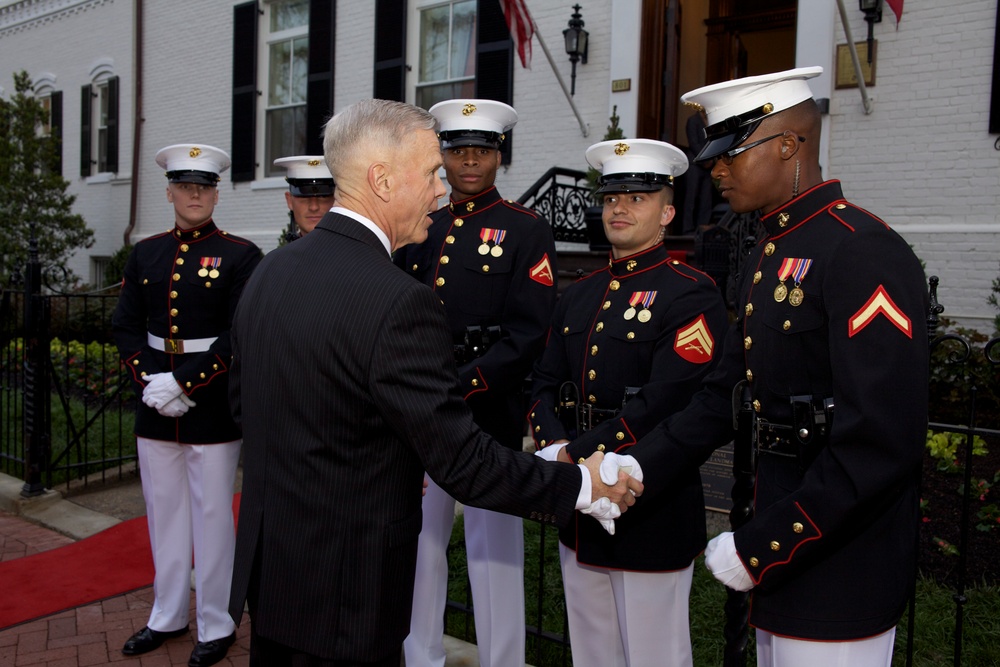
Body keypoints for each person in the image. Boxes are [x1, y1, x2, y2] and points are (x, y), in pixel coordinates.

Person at [226, 98, 642, 667]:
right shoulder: (397, 300)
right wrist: (582, 486)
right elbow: (465, 464)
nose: (441, 190)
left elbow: (245, 407)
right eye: (430, 173)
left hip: (277, 580)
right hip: (348, 595)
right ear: (382, 179)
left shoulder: (271, 269)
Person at [609, 67, 929, 667]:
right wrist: (633, 465)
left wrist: (764, 546)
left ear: (788, 145)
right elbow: (721, 396)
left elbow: (882, 441)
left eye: (732, 153)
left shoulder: (860, 249)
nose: (716, 170)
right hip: (781, 548)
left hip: (838, 559)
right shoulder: (768, 250)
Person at [529, 138, 729, 667]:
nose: (619, 206)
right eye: (613, 196)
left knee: (654, 655)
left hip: (647, 503)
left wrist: (575, 456)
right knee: (592, 653)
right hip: (580, 504)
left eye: (639, 197)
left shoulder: (692, 293)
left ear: (666, 212)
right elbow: (544, 383)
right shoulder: (578, 292)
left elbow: (668, 402)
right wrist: (553, 447)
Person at [394, 98, 557, 667]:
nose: (469, 162)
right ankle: (421, 656)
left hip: (486, 411)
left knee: (495, 551)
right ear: (442, 155)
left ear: (498, 156)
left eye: (481, 151)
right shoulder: (422, 222)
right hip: (421, 411)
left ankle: (504, 660)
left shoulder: (525, 230)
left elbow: (529, 332)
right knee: (421, 541)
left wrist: (459, 387)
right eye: (458, 150)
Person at [112, 143, 262, 667]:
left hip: (213, 405)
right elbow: (126, 325)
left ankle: (218, 622)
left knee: (213, 516)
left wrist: (185, 383)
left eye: (205, 186)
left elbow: (238, 331)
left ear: (216, 193)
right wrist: (151, 381)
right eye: (186, 186)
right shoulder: (147, 253)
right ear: (170, 190)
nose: (195, 195)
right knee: (164, 514)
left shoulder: (242, 255)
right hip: (156, 401)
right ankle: (167, 614)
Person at [273, 154, 337, 242]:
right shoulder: (280, 256)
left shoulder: (355, 254)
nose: (313, 207)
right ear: (289, 201)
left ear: (337, 199)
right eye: (304, 197)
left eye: (323, 196)